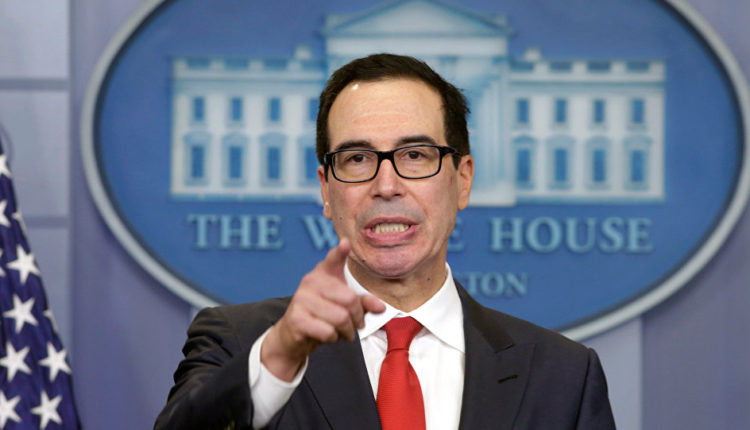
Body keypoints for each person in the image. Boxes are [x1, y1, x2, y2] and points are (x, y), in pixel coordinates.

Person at [155, 53, 616, 430]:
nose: (387, 185)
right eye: (357, 159)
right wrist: (279, 356)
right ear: (326, 189)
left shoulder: (563, 375)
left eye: (415, 155)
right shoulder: (242, 342)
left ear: (463, 179)